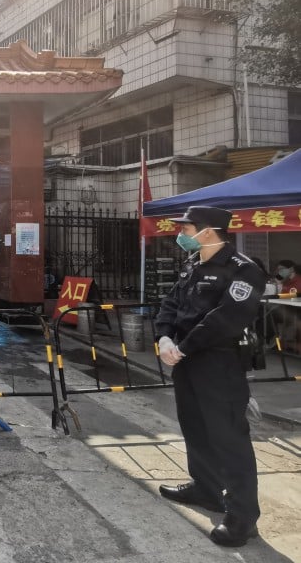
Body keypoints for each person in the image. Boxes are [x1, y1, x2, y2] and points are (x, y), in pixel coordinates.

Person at [154, 206, 265, 547]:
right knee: (196, 427)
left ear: (208, 230)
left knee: (229, 439)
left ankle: (243, 517)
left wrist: (183, 346)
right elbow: (171, 304)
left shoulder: (244, 270)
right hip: (186, 362)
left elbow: (226, 318)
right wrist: (163, 337)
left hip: (219, 365)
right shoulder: (192, 265)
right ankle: (206, 489)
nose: (181, 234)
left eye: (186, 227)